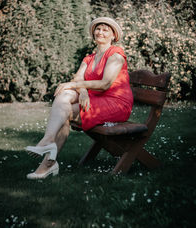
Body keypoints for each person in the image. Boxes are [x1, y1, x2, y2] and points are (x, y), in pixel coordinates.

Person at [25, 17, 134, 179]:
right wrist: (82, 90)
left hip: (116, 103)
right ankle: (48, 145)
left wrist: (77, 85)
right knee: (66, 94)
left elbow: (105, 84)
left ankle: (47, 160)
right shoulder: (89, 58)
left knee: (65, 110)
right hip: (95, 99)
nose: (100, 32)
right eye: (98, 28)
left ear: (113, 36)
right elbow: (78, 79)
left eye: (105, 29)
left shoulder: (116, 55)